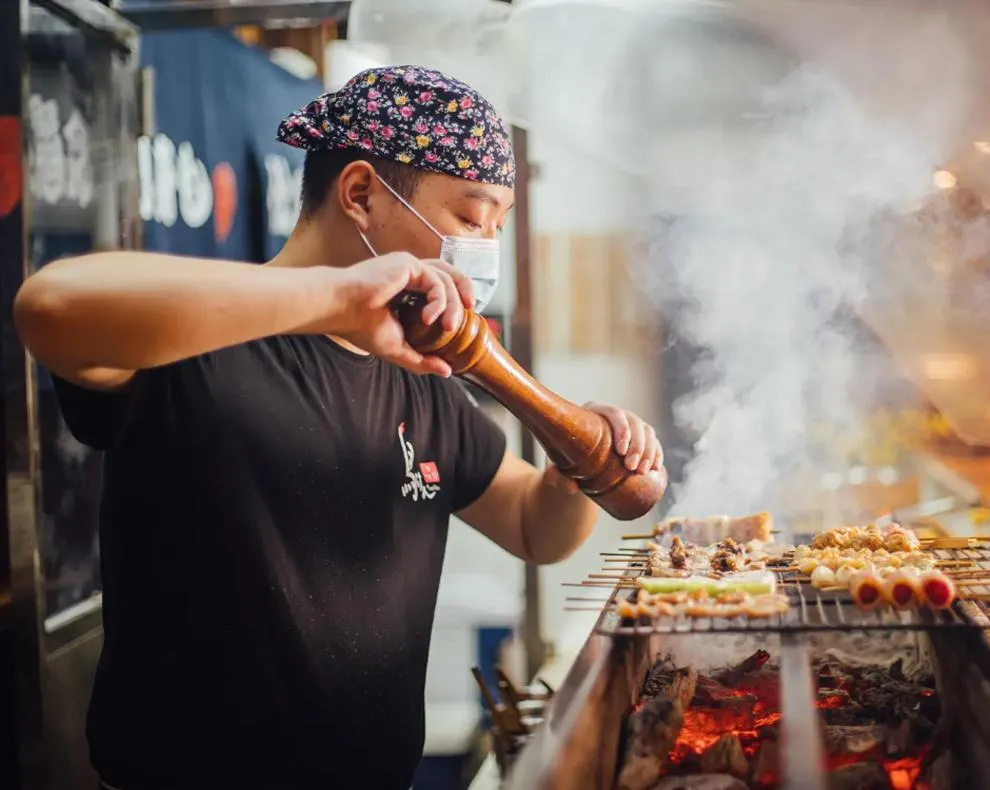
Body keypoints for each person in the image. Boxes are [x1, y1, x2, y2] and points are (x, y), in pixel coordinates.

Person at [15, 65, 664, 790]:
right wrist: (336, 298)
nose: (484, 248)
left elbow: (534, 529)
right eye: (470, 218)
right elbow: (50, 305)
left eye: (498, 226)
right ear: (360, 194)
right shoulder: (199, 339)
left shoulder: (429, 379)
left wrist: (570, 461)